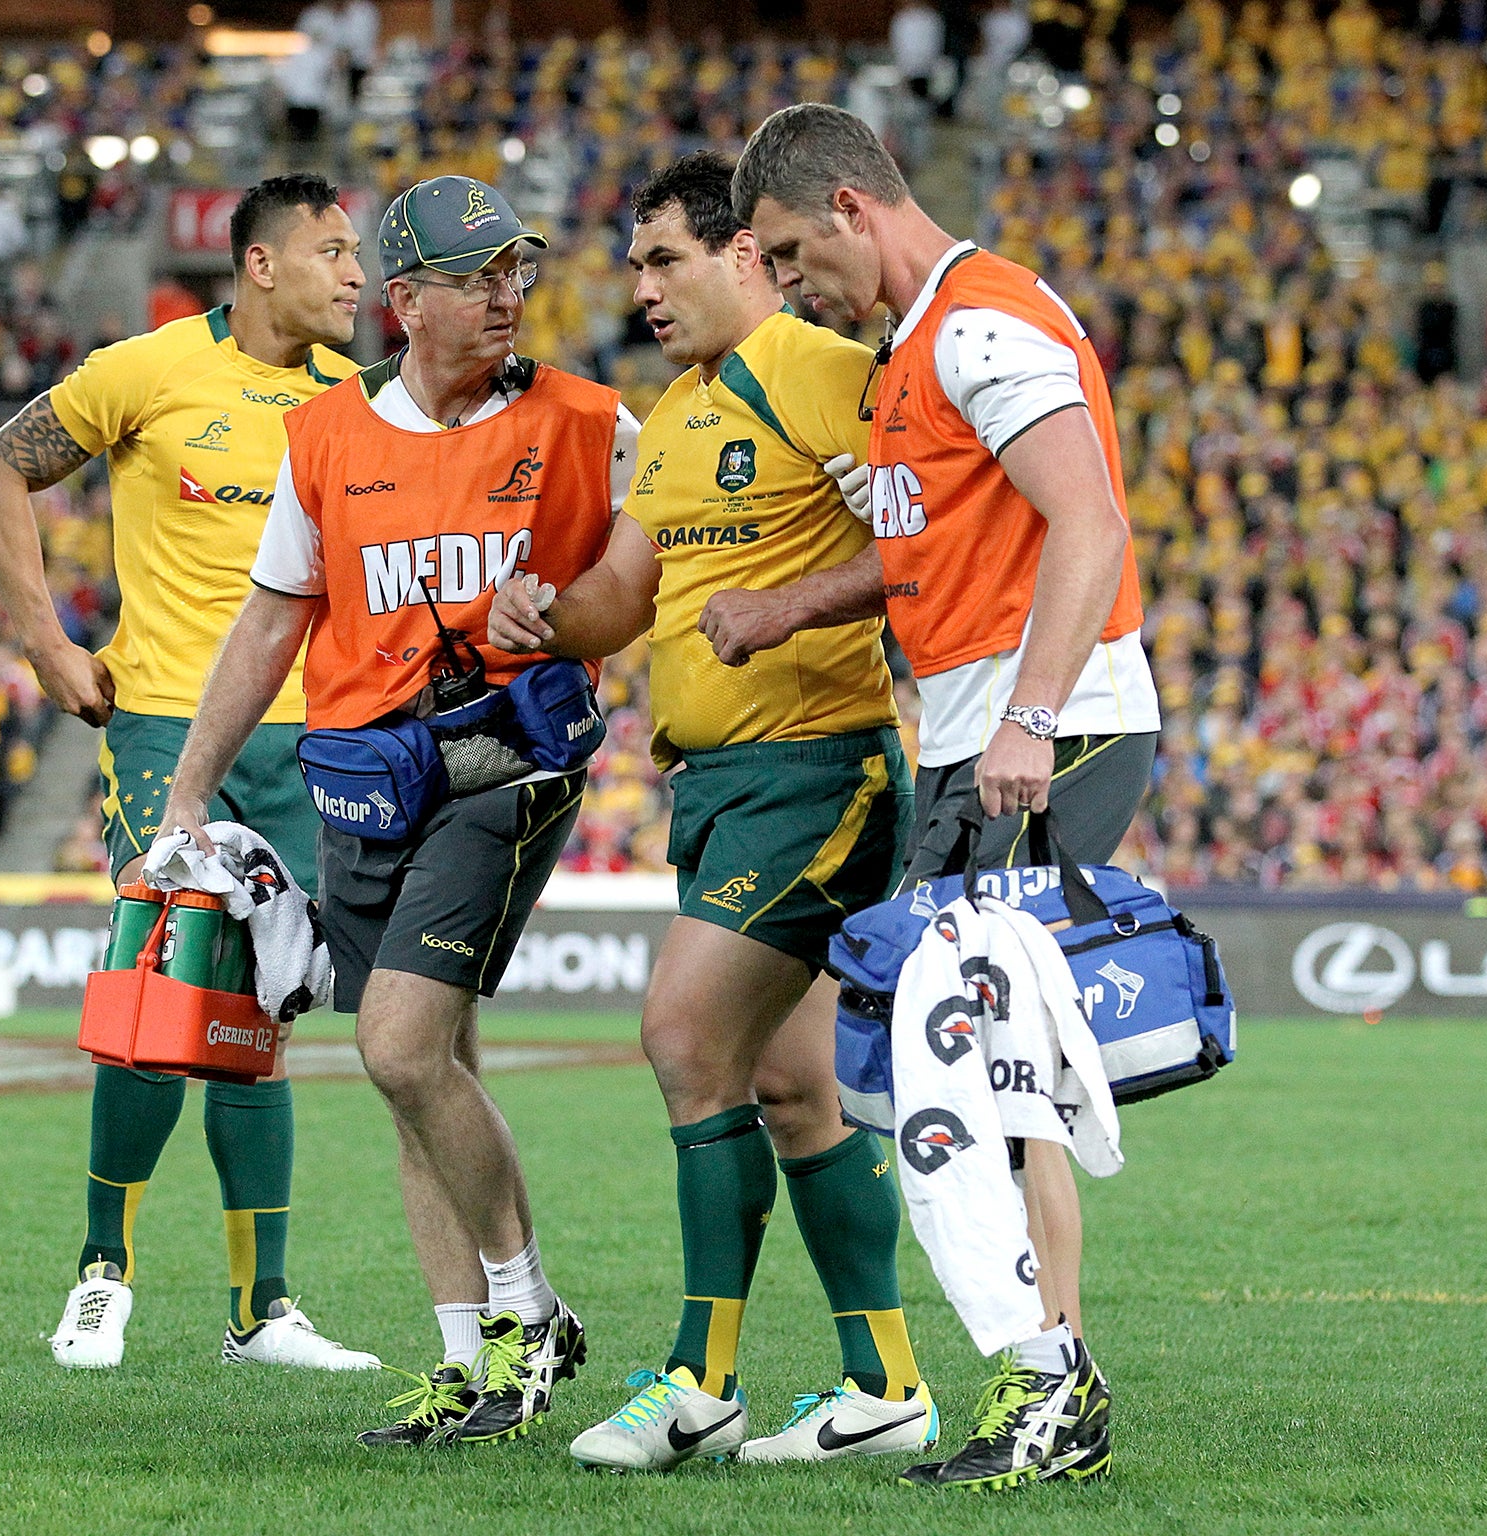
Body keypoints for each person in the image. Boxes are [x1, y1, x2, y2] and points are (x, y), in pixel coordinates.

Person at [154, 176, 641, 1449]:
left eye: (515, 272)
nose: (506, 297)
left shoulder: (591, 421)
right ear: (403, 300)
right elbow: (273, 617)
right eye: (475, 278)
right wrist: (192, 780)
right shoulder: (324, 437)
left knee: (398, 1045)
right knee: (425, 1075)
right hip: (365, 780)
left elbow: (677, 554)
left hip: (506, 771)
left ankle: (530, 1316)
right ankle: (464, 1363)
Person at [731, 102, 1159, 1490]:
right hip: (981, 739)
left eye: (795, 253)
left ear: (855, 208)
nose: (791, 285)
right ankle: (1047, 1382)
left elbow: (1089, 516)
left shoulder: (981, 326)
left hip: (1053, 731)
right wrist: (798, 599)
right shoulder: (908, 351)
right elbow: (934, 547)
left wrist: (1032, 719)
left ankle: (1052, 1387)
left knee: (995, 1067)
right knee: (967, 1066)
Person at [488, 152, 933, 1472]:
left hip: (819, 770)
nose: (643, 287)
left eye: (665, 259)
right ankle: (885, 1389)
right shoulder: (676, 415)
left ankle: (698, 1382)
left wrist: (791, 607)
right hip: (718, 787)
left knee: (683, 1034)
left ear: (749, 255)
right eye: (635, 264)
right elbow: (624, 596)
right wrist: (543, 614)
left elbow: (926, 535)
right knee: (794, 1088)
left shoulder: (829, 378)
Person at [0, 174, 378, 1371]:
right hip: (160, 723)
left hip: (309, 744)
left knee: (259, 1012)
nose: (356, 276)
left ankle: (263, 1312)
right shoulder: (147, 369)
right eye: (334, 251)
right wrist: (44, 637)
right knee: (158, 977)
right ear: (260, 266)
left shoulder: (358, 402)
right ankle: (102, 1276)